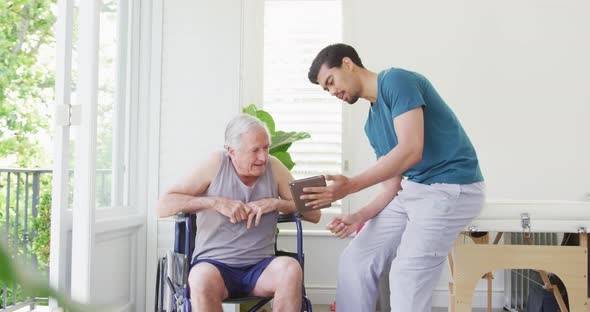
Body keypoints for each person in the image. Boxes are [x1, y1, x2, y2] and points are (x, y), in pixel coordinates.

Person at [304, 43, 485, 311]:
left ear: (347, 63)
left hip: (451, 186)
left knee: (406, 273)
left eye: (330, 81)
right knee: (356, 259)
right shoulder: (372, 124)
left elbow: (411, 149)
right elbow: (394, 186)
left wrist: (351, 185)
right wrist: (358, 216)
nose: (332, 92)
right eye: (326, 89)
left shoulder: (395, 81)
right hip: (415, 190)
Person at [157, 114, 320, 312]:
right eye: (255, 150)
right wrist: (215, 202)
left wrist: (276, 204)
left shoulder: (273, 166)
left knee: (290, 269)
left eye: (266, 148)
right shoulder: (215, 164)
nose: (263, 157)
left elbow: (314, 213)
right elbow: (163, 205)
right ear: (232, 151)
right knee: (199, 278)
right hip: (215, 265)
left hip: (260, 267)